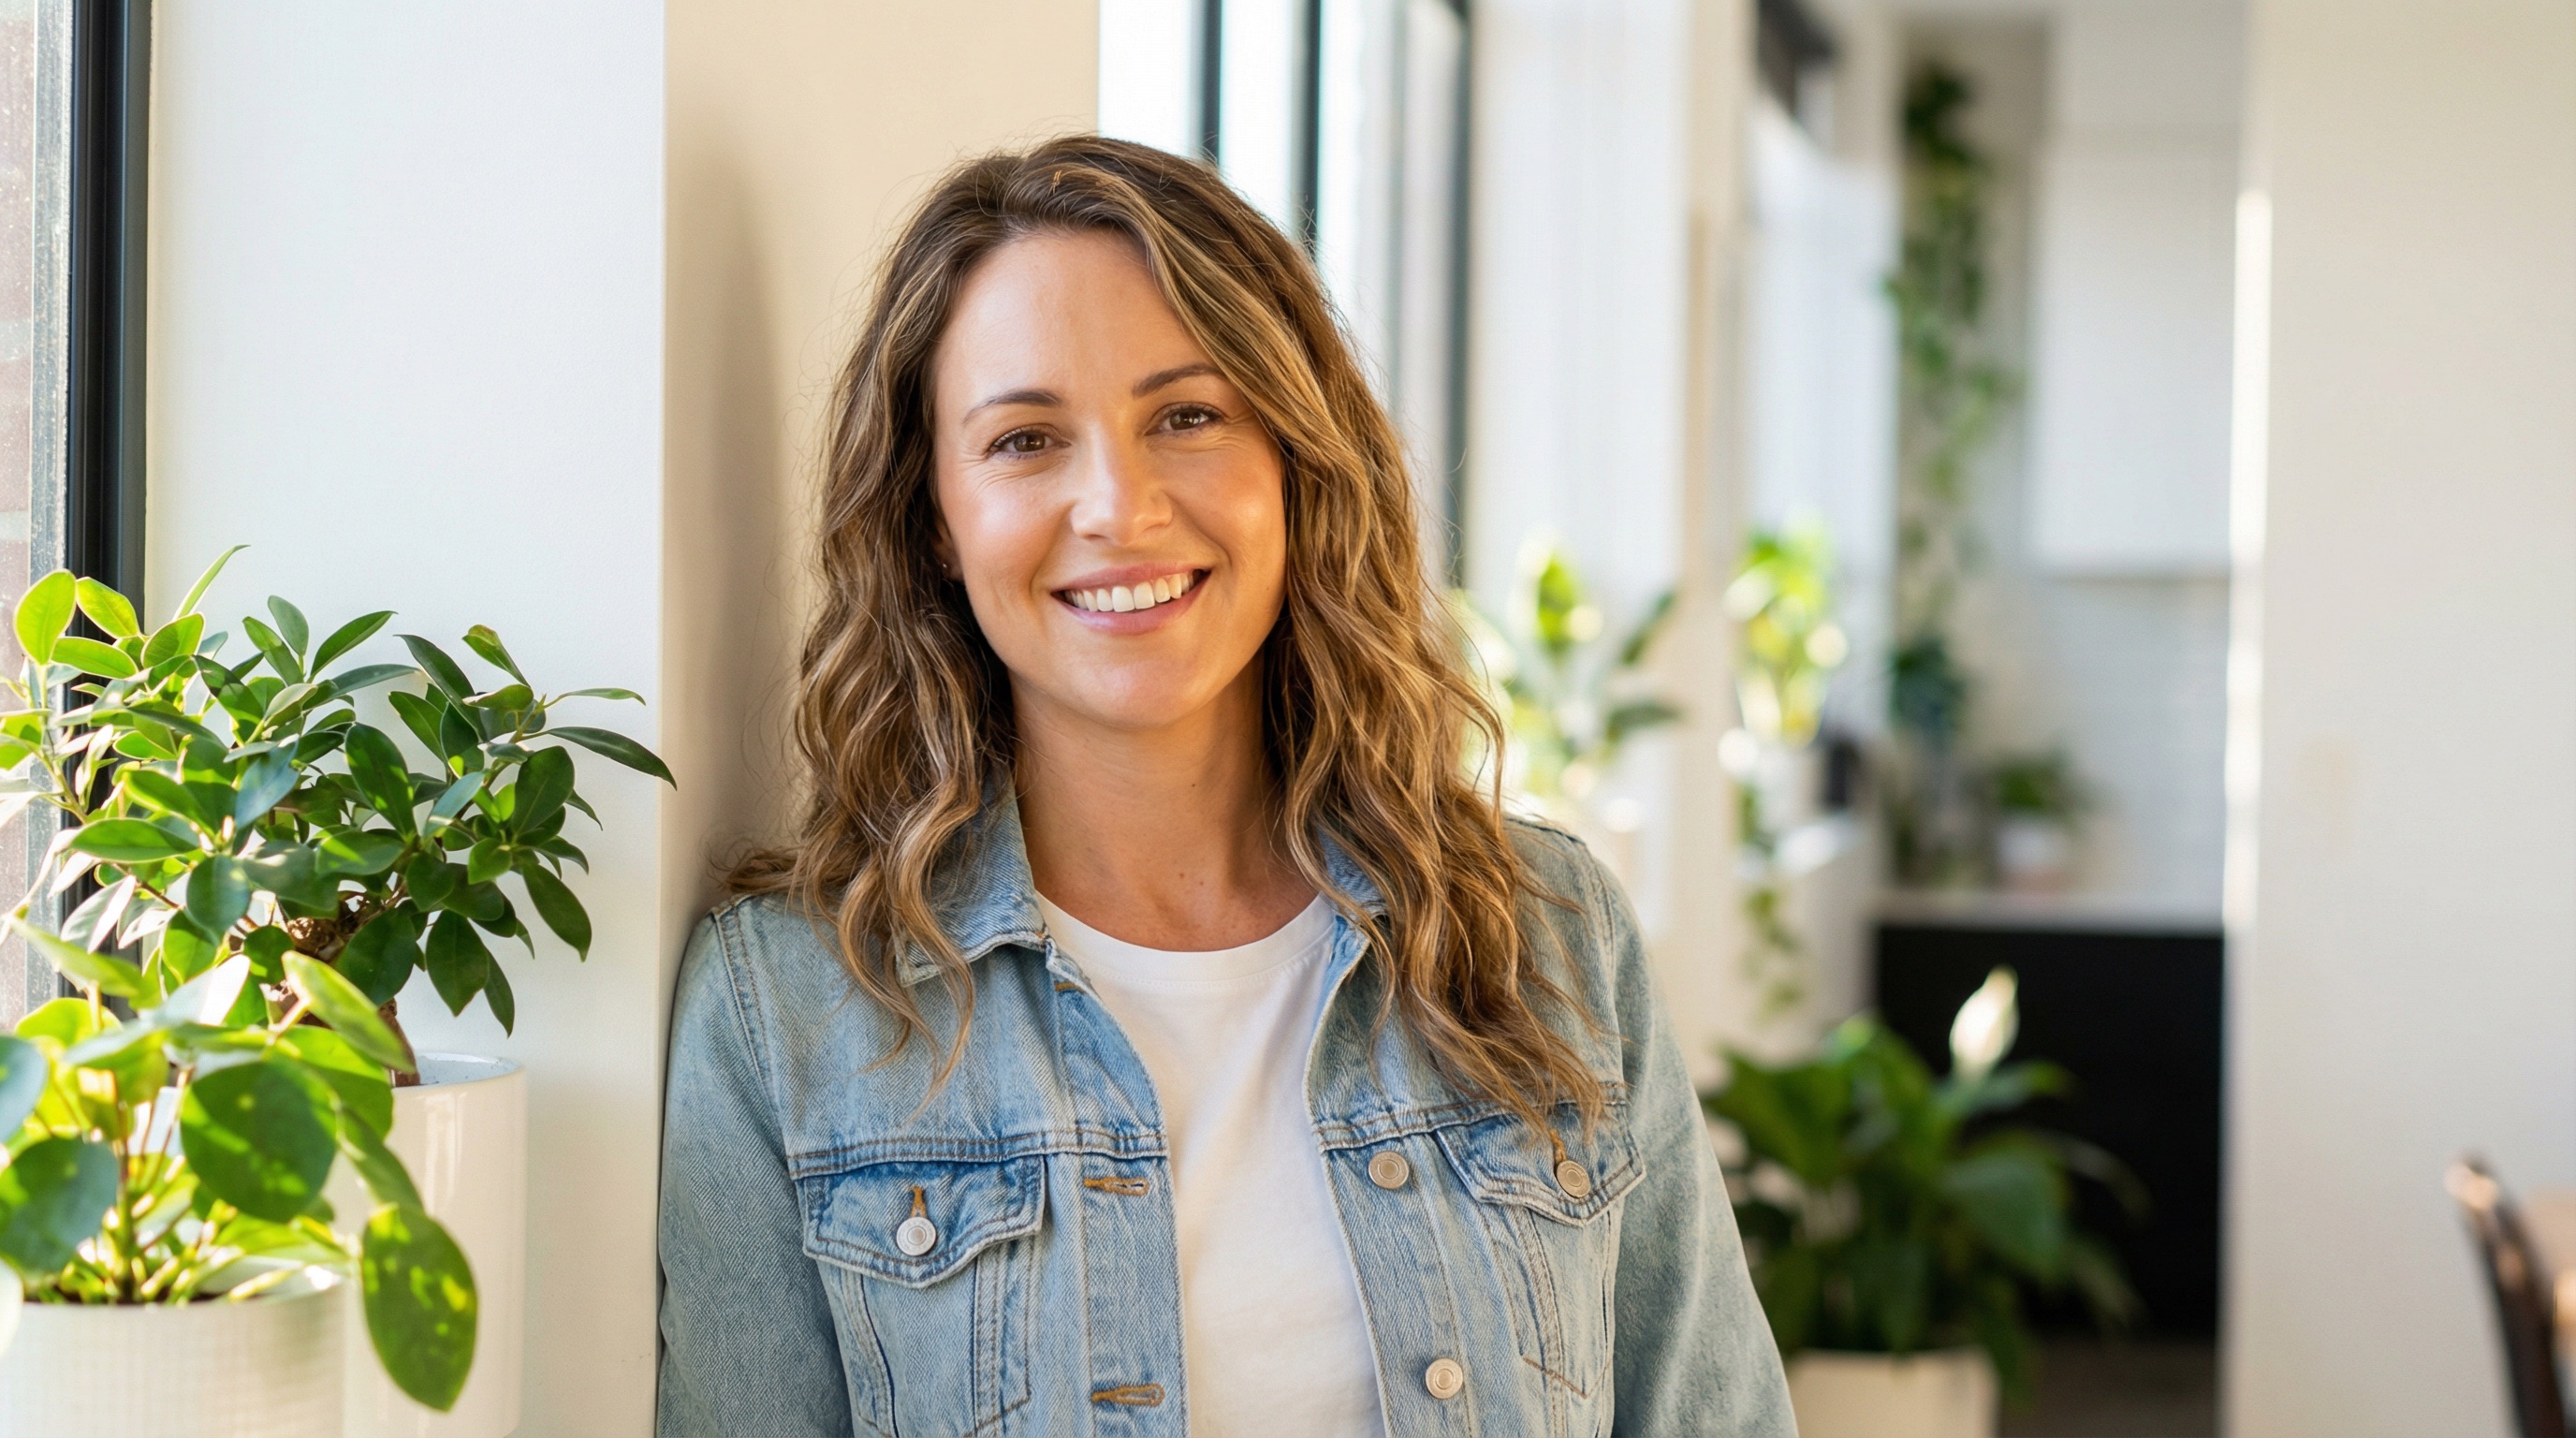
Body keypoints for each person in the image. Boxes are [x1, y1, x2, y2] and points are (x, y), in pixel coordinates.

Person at [655, 135, 1792, 1438]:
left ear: (1296, 460)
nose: (1118, 506)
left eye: (1186, 416)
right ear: (936, 520)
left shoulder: (1547, 937)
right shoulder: (788, 1012)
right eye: (1026, 440)